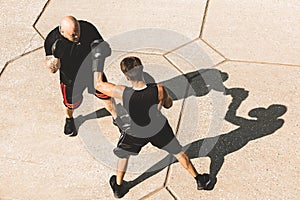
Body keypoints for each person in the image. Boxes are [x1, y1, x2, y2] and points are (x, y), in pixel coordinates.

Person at [96, 56, 210, 198]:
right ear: (142, 69)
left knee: (124, 155)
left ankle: (118, 187)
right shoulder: (159, 90)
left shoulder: (124, 93)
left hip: (135, 131)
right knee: (178, 152)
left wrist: (98, 61)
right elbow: (168, 105)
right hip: (158, 128)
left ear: (126, 77)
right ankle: (199, 179)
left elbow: (99, 85)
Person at [44, 16, 117, 136]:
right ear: (62, 32)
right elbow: (52, 70)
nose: (77, 36)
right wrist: (56, 57)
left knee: (106, 96)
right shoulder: (52, 40)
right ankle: (69, 119)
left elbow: (103, 49)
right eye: (73, 34)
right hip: (70, 78)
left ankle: (116, 117)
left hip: (92, 72)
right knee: (70, 104)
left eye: (78, 31)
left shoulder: (87, 28)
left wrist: (102, 50)